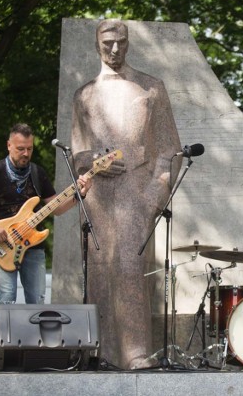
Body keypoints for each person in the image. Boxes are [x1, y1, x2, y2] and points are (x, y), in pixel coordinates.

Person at [71, 19, 181, 370]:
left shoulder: (151, 87)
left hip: (137, 192)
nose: (115, 49)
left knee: (132, 270)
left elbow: (169, 150)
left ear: (129, 42)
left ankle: (137, 354)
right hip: (99, 198)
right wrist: (91, 159)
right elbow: (77, 154)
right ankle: (100, 352)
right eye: (107, 43)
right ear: (97, 44)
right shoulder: (84, 95)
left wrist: (154, 196)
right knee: (100, 274)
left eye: (120, 42)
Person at [0, 123, 92, 304]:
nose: (25, 153)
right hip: (4, 244)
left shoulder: (38, 173)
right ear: (9, 145)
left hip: (33, 246)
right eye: (20, 149)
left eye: (29, 149)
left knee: (37, 303)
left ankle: (36, 334)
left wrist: (81, 194)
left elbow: (56, 208)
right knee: (7, 301)